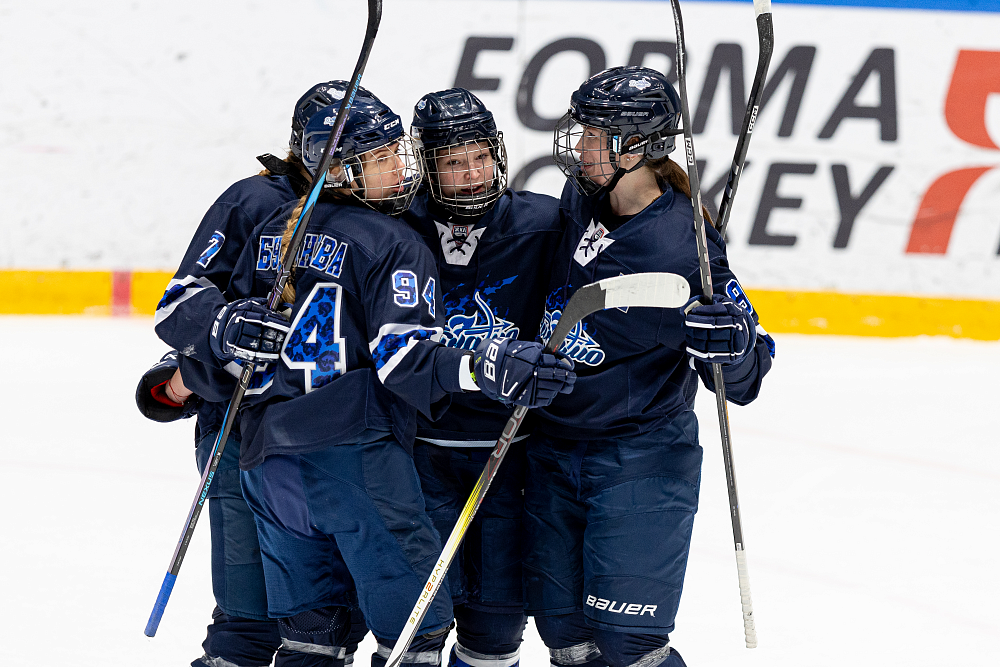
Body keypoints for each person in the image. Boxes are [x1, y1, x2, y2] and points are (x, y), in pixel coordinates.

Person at [208, 93, 575, 667]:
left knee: (309, 637)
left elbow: (227, 336)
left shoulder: (274, 230)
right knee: (414, 635)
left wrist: (186, 372)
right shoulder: (394, 239)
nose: (399, 169)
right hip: (353, 458)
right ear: (341, 171)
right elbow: (404, 362)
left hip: (268, 460)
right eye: (381, 159)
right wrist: (485, 365)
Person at [523, 66, 776, 667]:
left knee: (629, 647)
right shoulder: (581, 198)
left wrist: (732, 344)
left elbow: (747, 376)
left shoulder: (685, 248)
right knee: (567, 640)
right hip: (551, 448)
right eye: (583, 129)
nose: (580, 144)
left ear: (639, 146)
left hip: (638, 459)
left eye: (596, 134)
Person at [136, 81, 371, 667]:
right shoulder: (253, 200)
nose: (354, 162)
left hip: (339, 437)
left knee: (326, 619)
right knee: (248, 613)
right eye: (339, 149)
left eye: (366, 150)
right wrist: (222, 327)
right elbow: (178, 303)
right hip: (240, 431)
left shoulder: (382, 209)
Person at [401, 88, 566, 667]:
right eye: (453, 162)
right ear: (426, 166)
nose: (473, 174)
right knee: (412, 631)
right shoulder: (392, 227)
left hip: (510, 454)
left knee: (495, 632)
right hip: (416, 453)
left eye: (481, 157)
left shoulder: (544, 223)